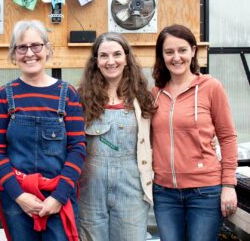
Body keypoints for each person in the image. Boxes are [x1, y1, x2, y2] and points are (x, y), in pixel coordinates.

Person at [0, 19, 86, 241]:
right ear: (14, 54)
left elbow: (78, 148)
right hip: (17, 200)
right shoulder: (4, 95)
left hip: (58, 198)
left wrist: (59, 197)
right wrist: (19, 195)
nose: (29, 53)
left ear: (47, 49)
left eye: (36, 46)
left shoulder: (67, 94)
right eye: (21, 47)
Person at [151, 24, 238, 241]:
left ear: (193, 50)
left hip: (204, 191)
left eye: (182, 50)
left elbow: (227, 137)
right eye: (169, 52)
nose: (176, 57)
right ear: (162, 56)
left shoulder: (211, 87)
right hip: (164, 192)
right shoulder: (155, 94)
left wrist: (228, 185)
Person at [77, 32, 156, 241]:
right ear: (96, 61)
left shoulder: (143, 97)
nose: (110, 61)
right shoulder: (80, 98)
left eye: (117, 54)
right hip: (90, 186)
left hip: (132, 185)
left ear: (127, 58)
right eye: (104, 56)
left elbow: (163, 135)